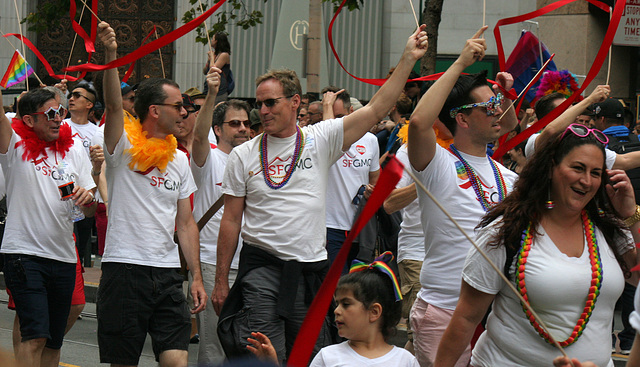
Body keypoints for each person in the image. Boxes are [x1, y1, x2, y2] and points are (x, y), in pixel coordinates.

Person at [212, 26, 428, 363]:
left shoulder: (321, 137)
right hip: (261, 270)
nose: (263, 111)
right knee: (265, 356)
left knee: (310, 356)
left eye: (271, 103)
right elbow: (231, 220)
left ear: (295, 101)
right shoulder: (243, 155)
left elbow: (376, 109)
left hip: (310, 271)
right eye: (260, 104)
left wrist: (406, 59)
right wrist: (221, 281)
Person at [434, 123, 640, 367]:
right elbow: (466, 318)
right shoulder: (506, 231)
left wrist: (630, 215)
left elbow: (637, 279)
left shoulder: (610, 228)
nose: (586, 181)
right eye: (577, 168)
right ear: (551, 167)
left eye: (596, 173)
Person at [406, 26, 518, 366]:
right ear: (462, 119)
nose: (498, 112)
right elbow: (419, 123)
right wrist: (460, 63)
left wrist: (505, 94)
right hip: (443, 309)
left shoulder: (509, 177)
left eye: (498, 105)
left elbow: (510, 123)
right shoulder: (436, 163)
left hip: (495, 311)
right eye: (489, 107)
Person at [97, 21, 207, 366]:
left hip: (167, 273)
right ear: (155, 111)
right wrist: (111, 54)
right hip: (124, 270)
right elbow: (115, 106)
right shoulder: (123, 145)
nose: (185, 111)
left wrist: (196, 277)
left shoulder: (178, 159)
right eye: (178, 106)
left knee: (176, 360)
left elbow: (186, 224)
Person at [0, 87, 96, 367]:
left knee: (54, 341)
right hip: (24, 255)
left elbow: (88, 211)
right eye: (51, 114)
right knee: (35, 336)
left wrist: (87, 198)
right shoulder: (14, 145)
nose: (58, 119)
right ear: (29, 120)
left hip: (64, 256)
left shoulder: (74, 147)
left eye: (61, 112)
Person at [247, 253, 419, 367]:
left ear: (374, 312)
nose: (336, 311)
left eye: (346, 304)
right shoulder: (328, 357)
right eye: (337, 304)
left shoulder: (405, 361)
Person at [191, 67, 251, 365]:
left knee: (242, 345)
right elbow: (198, 135)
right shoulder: (209, 157)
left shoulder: (255, 161)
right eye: (234, 123)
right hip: (212, 263)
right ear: (218, 129)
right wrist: (212, 93)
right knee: (214, 346)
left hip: (249, 264)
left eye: (246, 123)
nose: (242, 128)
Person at [321, 86, 380, 269]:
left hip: (360, 228)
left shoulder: (370, 140)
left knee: (356, 288)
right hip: (330, 227)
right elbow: (329, 134)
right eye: (333, 117)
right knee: (335, 285)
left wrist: (372, 191)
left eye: (341, 117)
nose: (337, 124)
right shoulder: (319, 138)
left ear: (351, 112)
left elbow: (375, 179)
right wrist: (326, 107)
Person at [203, 32, 232, 103]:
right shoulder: (215, 55)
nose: (211, 41)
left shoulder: (224, 55)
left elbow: (213, 69)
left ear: (216, 41)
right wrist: (209, 60)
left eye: (213, 39)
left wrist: (212, 58)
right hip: (208, 89)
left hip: (219, 91)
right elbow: (205, 71)